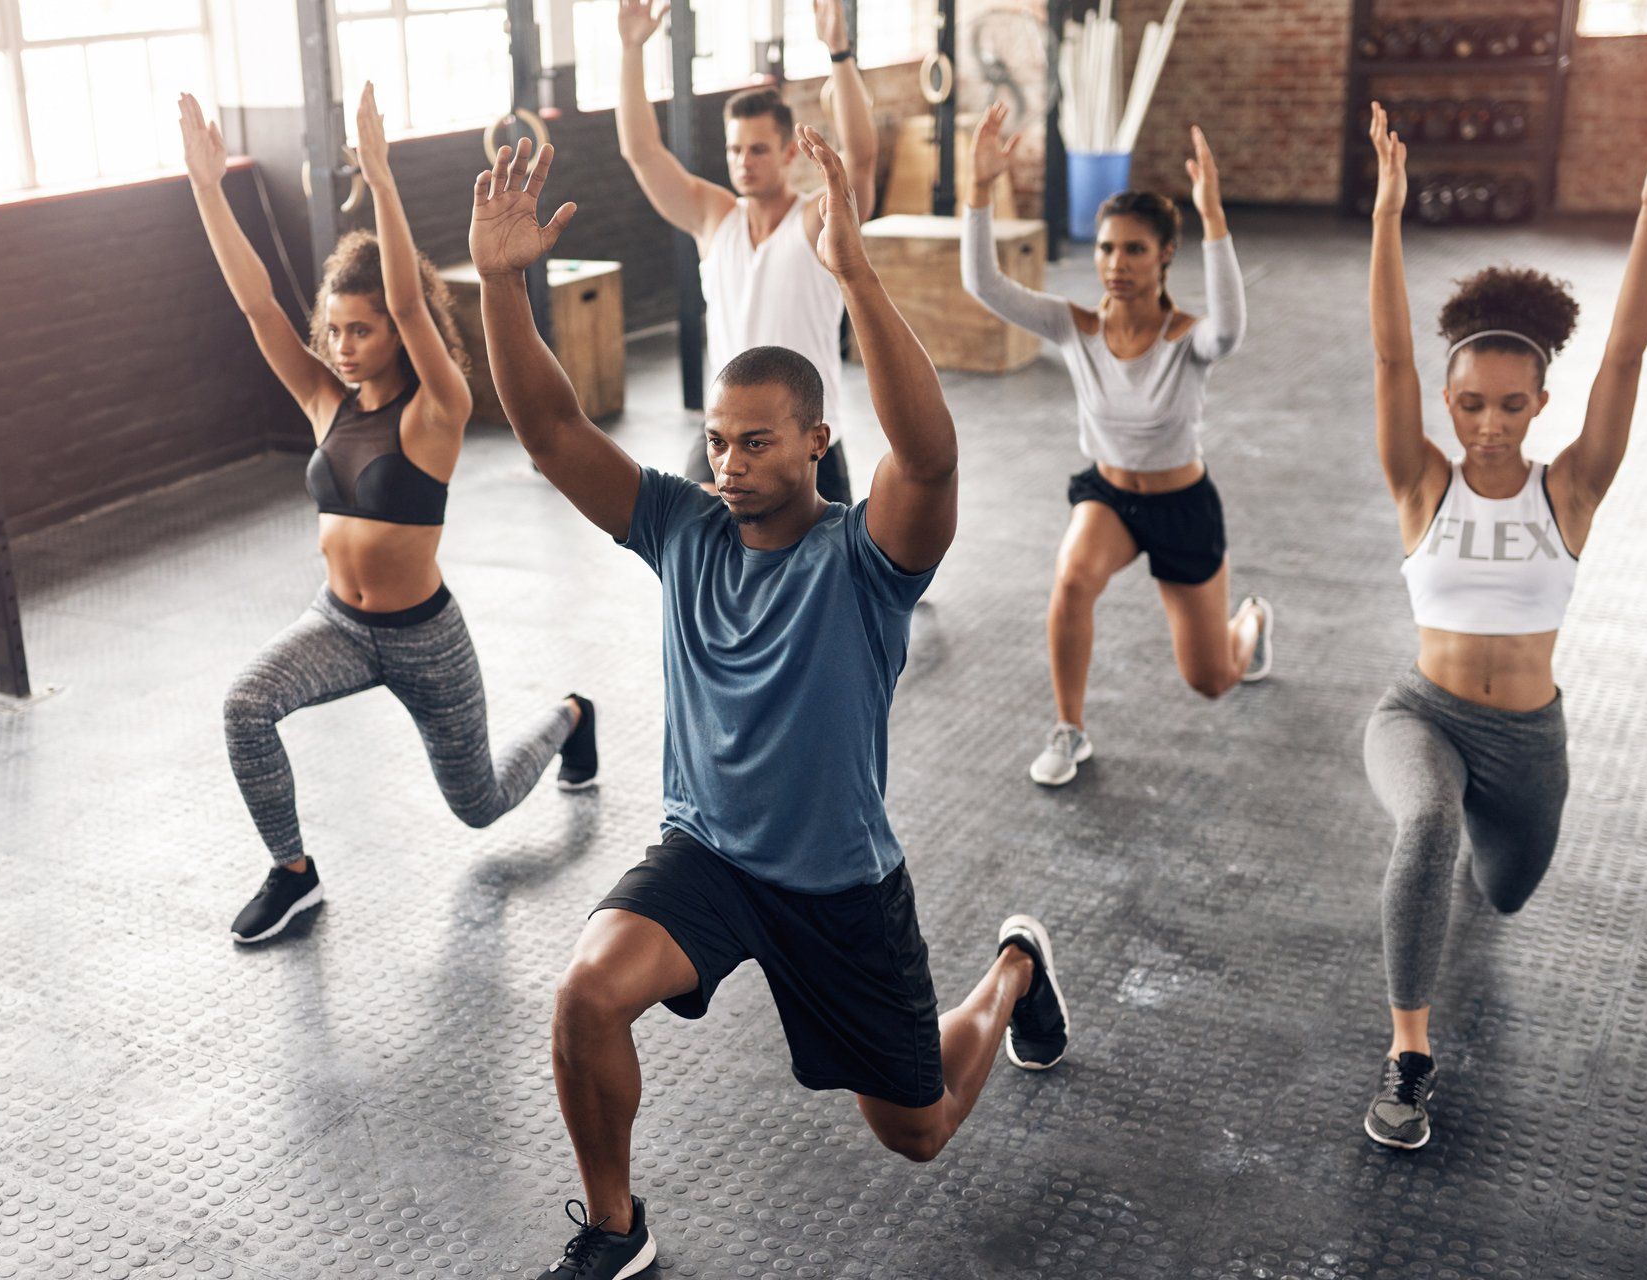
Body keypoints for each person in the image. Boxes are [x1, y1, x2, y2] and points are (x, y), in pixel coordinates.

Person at [469, 130, 1070, 1279]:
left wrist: (855, 275)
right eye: (716, 441)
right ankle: (614, 1226)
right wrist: (505, 285)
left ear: (816, 443)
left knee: (920, 1128)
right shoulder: (681, 525)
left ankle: (1014, 972)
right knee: (586, 994)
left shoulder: (867, 559)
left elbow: (931, 462)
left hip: (839, 887)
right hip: (709, 858)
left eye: (756, 442)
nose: (730, 462)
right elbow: (550, 431)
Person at [1359, 89, 1647, 1149]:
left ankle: (1476, 832)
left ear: (1538, 407)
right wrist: (1385, 215)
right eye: (1471, 402)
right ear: (1451, 402)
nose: (1490, 423)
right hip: (1418, 711)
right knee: (1423, 820)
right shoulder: (1420, 482)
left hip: (1527, 742)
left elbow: (1629, 355)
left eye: (1512, 405)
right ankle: (1408, 1055)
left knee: (1502, 894)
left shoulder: (1572, 491)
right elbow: (1386, 358)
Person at [177, 86, 596, 945]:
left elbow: (413, 301)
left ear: (397, 336)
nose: (342, 347)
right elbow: (258, 303)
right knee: (244, 706)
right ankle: (293, 873)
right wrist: (207, 188)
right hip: (337, 625)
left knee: (478, 805)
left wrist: (383, 179)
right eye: (333, 331)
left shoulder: (435, 405)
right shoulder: (325, 400)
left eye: (360, 331)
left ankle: (572, 716)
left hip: (423, 636)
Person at [959, 103, 1272, 787]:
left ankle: (1250, 622)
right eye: (1106, 248)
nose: (1116, 263)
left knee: (1212, 679)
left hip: (1182, 505)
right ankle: (1070, 729)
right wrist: (978, 189)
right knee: (1071, 579)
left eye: (1134, 249)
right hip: (1108, 497)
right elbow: (983, 284)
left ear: (1164, 255)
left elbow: (1233, 330)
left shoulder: (1189, 337)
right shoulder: (1075, 327)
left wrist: (1214, 217)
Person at [615, 0, 877, 504]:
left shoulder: (814, 223)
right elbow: (642, 152)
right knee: (695, 570)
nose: (744, 162)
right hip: (723, 438)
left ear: (786, 153)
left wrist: (839, 53)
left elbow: (861, 161)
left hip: (804, 439)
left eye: (758, 149)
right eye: (735, 150)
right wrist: (631, 50)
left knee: (828, 581)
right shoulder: (714, 218)